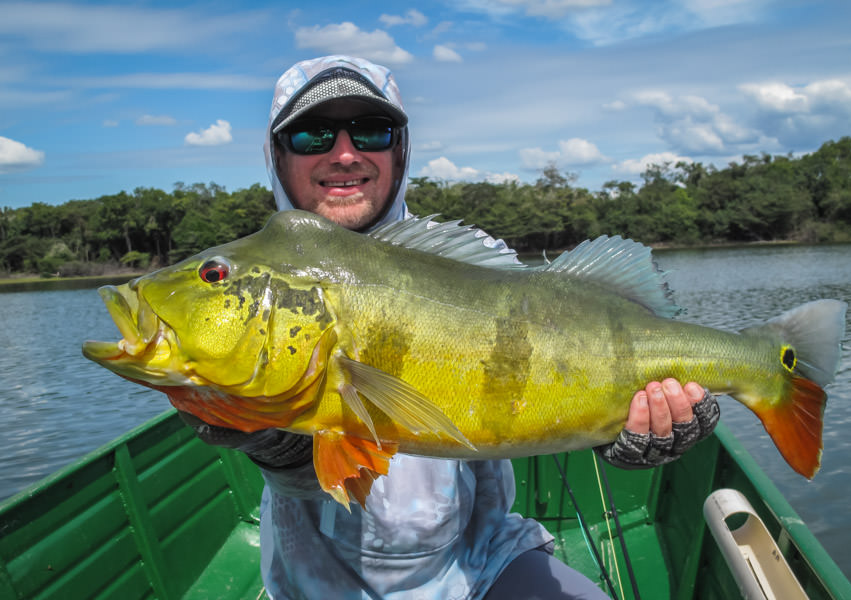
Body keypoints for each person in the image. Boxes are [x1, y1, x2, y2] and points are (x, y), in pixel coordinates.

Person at [182, 55, 720, 599]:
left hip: (482, 563)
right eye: (311, 135)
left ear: (400, 150)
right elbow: (320, 480)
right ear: (276, 155)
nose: (344, 153)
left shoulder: (479, 261)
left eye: (371, 131)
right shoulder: (246, 285)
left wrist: (618, 430)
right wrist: (275, 442)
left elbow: (550, 374)